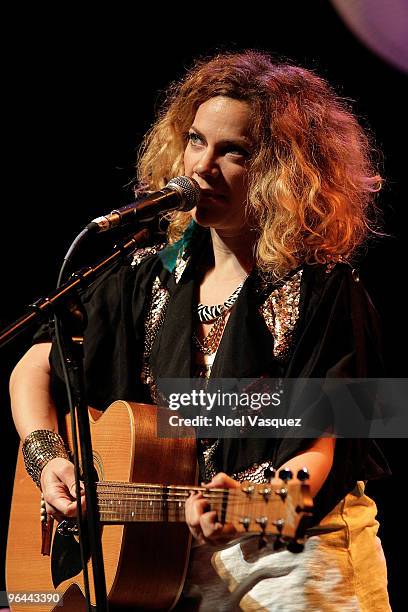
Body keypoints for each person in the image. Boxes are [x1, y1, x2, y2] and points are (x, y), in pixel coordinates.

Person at [9, 50, 391, 611]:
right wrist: (48, 462)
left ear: (281, 169)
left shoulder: (328, 291)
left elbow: (326, 454)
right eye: (195, 141)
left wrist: (252, 504)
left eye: (233, 151)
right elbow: (32, 368)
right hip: (161, 563)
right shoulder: (142, 276)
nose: (202, 167)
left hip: (293, 563)